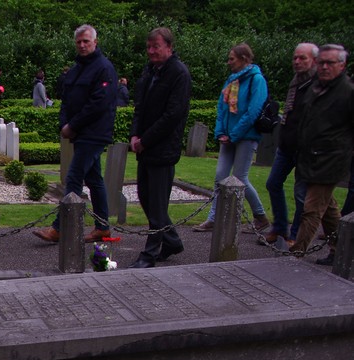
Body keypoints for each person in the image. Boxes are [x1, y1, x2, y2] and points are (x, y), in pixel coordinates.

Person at [34, 24, 117, 244]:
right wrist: (64, 124)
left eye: (86, 41)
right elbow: (67, 100)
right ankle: (102, 227)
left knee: (74, 177)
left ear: (95, 42)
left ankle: (60, 228)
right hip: (80, 132)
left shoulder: (104, 68)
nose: (82, 45)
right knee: (94, 180)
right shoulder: (76, 69)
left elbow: (99, 103)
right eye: (79, 42)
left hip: (94, 132)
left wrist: (73, 125)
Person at [127, 28, 191, 268]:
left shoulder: (178, 74)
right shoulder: (150, 71)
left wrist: (145, 140)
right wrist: (135, 134)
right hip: (146, 147)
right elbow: (140, 106)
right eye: (149, 47)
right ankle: (172, 240)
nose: (151, 51)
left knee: (157, 203)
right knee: (145, 197)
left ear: (169, 47)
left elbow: (173, 114)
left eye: (156, 46)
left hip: (162, 148)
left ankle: (150, 253)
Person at [289, 44, 354, 266]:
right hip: (311, 157)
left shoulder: (347, 92)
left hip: (331, 159)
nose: (324, 67)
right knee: (329, 209)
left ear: (342, 65)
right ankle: (341, 248)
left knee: (312, 208)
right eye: (321, 62)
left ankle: (296, 254)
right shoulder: (316, 87)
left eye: (330, 63)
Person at [193, 43, 269, 233]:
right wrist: (221, 132)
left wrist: (234, 135)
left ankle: (260, 216)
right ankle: (213, 218)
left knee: (239, 178)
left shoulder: (256, 80)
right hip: (228, 136)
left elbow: (253, 111)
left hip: (245, 137)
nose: (229, 62)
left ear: (244, 59)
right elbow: (222, 108)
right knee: (220, 177)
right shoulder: (232, 80)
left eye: (231, 59)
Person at [264, 43, 318, 245]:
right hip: (286, 146)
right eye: (295, 57)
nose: (297, 61)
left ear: (314, 60)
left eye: (302, 58)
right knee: (273, 183)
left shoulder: (318, 84)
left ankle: (295, 236)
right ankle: (279, 227)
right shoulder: (296, 82)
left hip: (305, 149)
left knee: (301, 194)